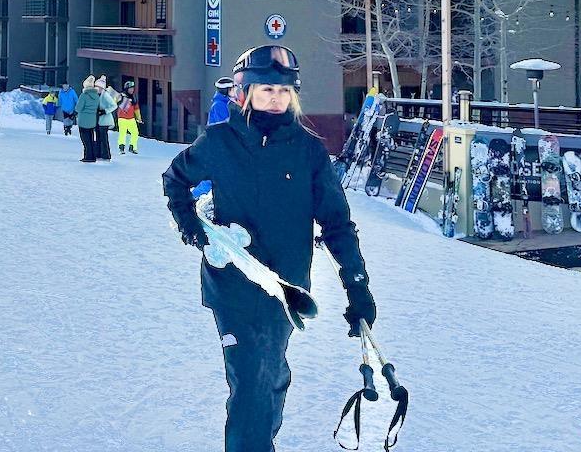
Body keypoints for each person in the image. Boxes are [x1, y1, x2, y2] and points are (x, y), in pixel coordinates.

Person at [162, 45, 375, 452]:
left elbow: (337, 224)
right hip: (234, 284)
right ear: (246, 92)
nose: (275, 99)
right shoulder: (220, 141)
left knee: (272, 376)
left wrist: (358, 288)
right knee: (252, 385)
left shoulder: (309, 149)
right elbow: (174, 179)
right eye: (266, 90)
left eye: (283, 91)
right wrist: (190, 226)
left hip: (285, 289)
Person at [75, 76, 103, 162]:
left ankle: (88, 156)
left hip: (83, 120)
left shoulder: (84, 95)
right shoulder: (96, 96)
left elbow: (78, 108)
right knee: (91, 138)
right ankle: (93, 156)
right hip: (92, 120)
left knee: (85, 140)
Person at [117, 81, 142, 154]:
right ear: (126, 89)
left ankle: (132, 147)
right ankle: (121, 148)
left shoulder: (134, 97)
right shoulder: (121, 96)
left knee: (135, 133)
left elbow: (136, 108)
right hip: (122, 118)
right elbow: (115, 103)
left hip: (131, 118)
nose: (132, 90)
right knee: (122, 133)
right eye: (130, 88)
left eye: (133, 88)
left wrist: (139, 118)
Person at [95, 76, 117, 161]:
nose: (98, 89)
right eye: (97, 87)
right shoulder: (96, 95)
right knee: (98, 137)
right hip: (97, 120)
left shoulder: (106, 95)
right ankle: (98, 154)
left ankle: (106, 155)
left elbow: (114, 105)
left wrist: (105, 111)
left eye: (100, 87)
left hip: (105, 121)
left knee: (103, 138)